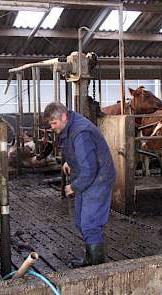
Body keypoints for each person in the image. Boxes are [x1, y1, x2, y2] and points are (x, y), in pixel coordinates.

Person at [43, 102, 116, 268]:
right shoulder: (70, 124)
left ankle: (95, 264)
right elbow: (81, 151)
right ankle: (93, 257)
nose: (52, 127)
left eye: (54, 123)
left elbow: (90, 169)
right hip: (86, 175)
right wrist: (69, 160)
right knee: (80, 220)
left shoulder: (80, 131)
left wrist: (73, 187)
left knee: (90, 222)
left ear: (63, 117)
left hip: (98, 178)